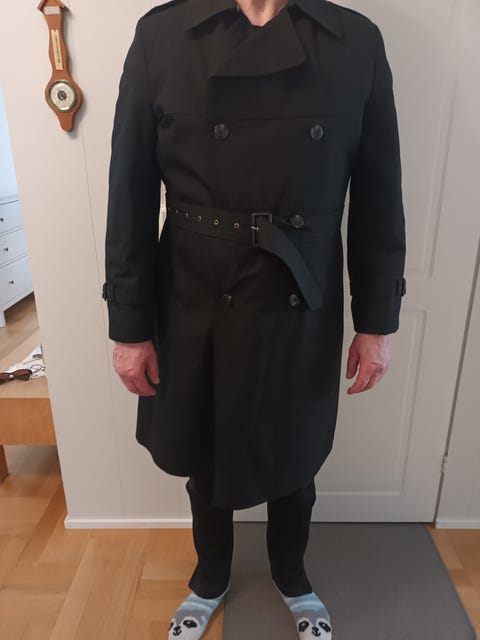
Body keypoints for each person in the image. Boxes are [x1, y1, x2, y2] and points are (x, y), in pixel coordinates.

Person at [102, 0, 407, 637]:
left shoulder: (355, 42)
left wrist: (376, 321)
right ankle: (209, 575)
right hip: (194, 294)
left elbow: (380, 197)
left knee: (295, 451)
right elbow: (129, 192)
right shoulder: (162, 36)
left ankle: (292, 575)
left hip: (298, 293)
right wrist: (128, 326)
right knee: (204, 447)